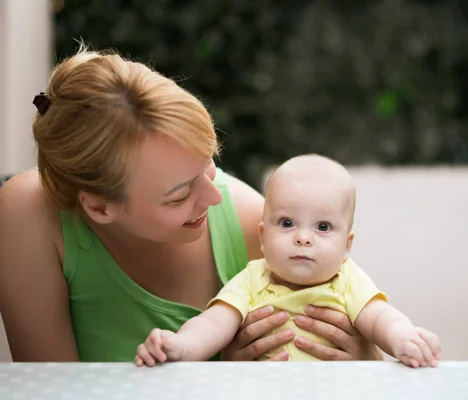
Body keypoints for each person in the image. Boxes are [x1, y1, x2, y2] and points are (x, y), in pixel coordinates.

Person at [0, 45, 380, 362]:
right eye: (180, 195)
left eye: (209, 165)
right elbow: (48, 390)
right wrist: (214, 378)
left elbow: (363, 333)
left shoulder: (257, 227)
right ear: (99, 208)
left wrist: (362, 357)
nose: (214, 198)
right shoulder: (26, 218)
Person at [135, 155, 442, 367]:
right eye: (286, 223)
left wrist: (403, 338)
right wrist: (180, 347)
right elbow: (213, 324)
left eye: (322, 227)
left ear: (347, 245)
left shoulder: (347, 280)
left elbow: (380, 318)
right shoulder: (254, 278)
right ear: (263, 237)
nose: (303, 238)